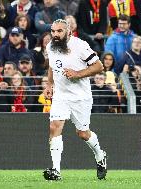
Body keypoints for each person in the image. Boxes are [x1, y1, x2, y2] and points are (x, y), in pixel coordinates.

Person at [42, 19, 107, 181]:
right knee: (54, 126)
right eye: (53, 31)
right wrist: (49, 84)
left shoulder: (80, 45)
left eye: (59, 31)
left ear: (68, 32)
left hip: (80, 97)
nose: (55, 34)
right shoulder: (51, 46)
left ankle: (100, 154)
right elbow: (51, 66)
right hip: (61, 96)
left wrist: (77, 74)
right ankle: (56, 170)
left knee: (83, 133)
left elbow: (99, 67)